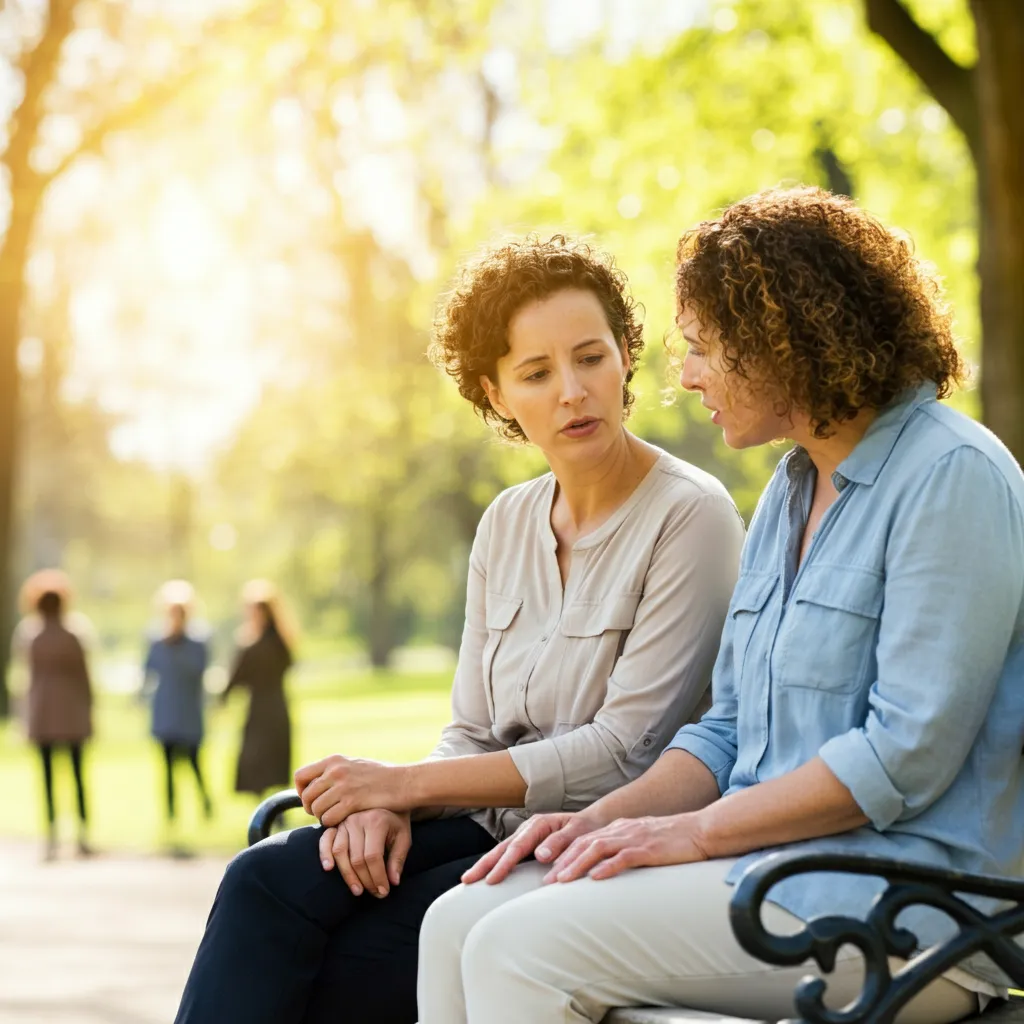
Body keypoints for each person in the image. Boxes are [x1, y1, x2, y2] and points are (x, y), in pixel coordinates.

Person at [417, 187, 1024, 1024]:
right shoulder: (789, 488)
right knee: (455, 921)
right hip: (768, 868)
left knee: (517, 951)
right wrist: (590, 826)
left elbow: (904, 755)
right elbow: (727, 728)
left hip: (909, 910)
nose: (685, 374)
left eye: (704, 347)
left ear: (786, 342)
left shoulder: (952, 477)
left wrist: (696, 834)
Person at [174, 235, 745, 1024]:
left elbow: (627, 749)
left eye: (591, 358)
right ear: (496, 392)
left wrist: (406, 785)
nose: (573, 391)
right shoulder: (505, 523)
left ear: (626, 359)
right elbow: (472, 729)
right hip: (478, 828)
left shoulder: (692, 517)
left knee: (361, 959)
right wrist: (393, 808)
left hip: (588, 839)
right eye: (537, 373)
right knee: (262, 882)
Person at [17, 569, 94, 860]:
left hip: (43, 715)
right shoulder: (73, 633)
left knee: (48, 778)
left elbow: (27, 679)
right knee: (77, 775)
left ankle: (51, 834)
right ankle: (83, 833)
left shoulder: (30, 635)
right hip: (72, 713)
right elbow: (84, 676)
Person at [143, 580, 213, 824]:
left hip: (189, 713)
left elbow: (199, 670)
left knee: (195, 764)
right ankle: (171, 814)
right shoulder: (156, 640)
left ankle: (206, 805)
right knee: (168, 769)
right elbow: (148, 670)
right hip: (166, 712)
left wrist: (177, 646)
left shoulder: (197, 641)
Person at [222, 580, 294, 797]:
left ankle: (275, 806)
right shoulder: (269, 641)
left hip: (271, 704)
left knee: (270, 756)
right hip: (261, 706)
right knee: (258, 758)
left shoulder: (269, 642)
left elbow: (239, 675)